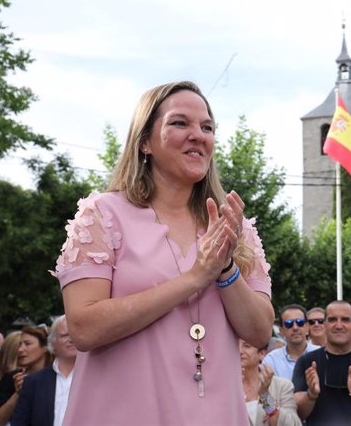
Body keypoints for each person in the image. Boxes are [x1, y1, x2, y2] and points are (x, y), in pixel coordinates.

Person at [50, 80, 274, 425]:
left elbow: (259, 332)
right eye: (179, 123)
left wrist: (226, 268)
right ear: (144, 143)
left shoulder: (235, 226)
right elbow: (83, 329)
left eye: (207, 127)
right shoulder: (102, 215)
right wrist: (195, 278)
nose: (198, 134)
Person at [292, 300, 351, 425]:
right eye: (332, 319)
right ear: (324, 325)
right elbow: (297, 414)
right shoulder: (306, 362)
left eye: (345, 320)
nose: (339, 325)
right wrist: (311, 395)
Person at [11, 316, 77, 426]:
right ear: (52, 342)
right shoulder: (33, 382)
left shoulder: (97, 379)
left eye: (75, 334)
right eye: (65, 335)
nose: (71, 339)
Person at [0, 327, 52, 426]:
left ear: (45, 347)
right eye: (19, 344)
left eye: (27, 344)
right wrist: (18, 393)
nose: (20, 349)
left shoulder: (57, 376)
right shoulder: (11, 378)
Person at [241, 339, 302, 426]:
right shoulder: (223, 388)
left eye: (247, 346)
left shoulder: (282, 386)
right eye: (235, 345)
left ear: (262, 353)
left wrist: (266, 397)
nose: (240, 351)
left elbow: (293, 424)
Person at [264, 304, 319, 380]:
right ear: (281, 331)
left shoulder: (322, 355)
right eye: (289, 323)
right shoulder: (271, 360)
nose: (295, 327)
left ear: (307, 327)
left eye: (300, 322)